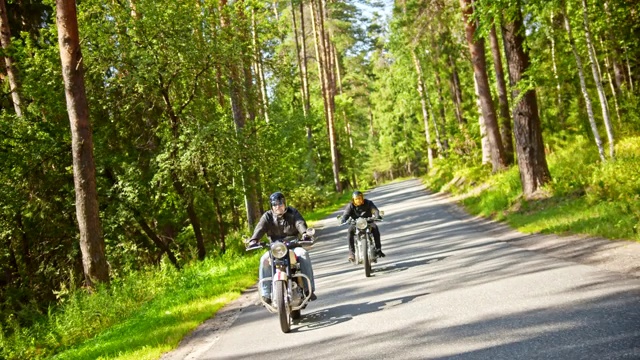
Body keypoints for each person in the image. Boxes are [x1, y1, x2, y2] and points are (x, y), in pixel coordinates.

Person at [247, 191, 317, 304]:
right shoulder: (267, 216)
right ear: (271, 206)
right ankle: (266, 294)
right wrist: (254, 240)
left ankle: (309, 289)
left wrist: (304, 233)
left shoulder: (293, 212)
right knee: (264, 260)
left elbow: (299, 223)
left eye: (280, 203)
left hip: (292, 245)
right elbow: (260, 227)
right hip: (276, 248)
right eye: (275, 204)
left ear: (284, 203)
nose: (278, 206)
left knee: (303, 254)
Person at [340, 190, 385, 262]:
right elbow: (346, 213)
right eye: (356, 199)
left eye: (359, 198)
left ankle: (378, 249)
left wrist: (377, 215)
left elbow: (374, 210)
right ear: (353, 200)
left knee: (375, 228)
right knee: (349, 231)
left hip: (368, 222)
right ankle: (351, 253)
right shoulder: (351, 205)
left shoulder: (368, 203)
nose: (358, 200)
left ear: (362, 198)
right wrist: (344, 219)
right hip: (356, 223)